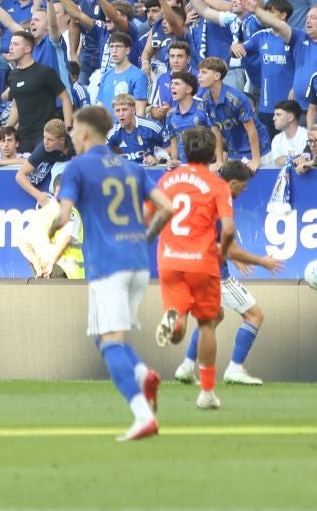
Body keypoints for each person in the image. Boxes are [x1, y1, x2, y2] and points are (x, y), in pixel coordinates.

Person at [48, 104, 162, 441]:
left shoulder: (77, 167)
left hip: (107, 264)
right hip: (138, 262)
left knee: (111, 340)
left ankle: (142, 415)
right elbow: (166, 207)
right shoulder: (130, 166)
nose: (70, 136)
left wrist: (51, 228)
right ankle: (142, 373)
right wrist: (146, 236)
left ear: (84, 133)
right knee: (105, 335)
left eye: (72, 130)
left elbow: (64, 215)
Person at [172, 158, 282, 387]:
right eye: (243, 185)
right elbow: (227, 246)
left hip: (190, 265)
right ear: (232, 183)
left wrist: (233, 256)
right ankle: (235, 369)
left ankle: (185, 367)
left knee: (214, 317)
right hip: (214, 274)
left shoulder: (204, 192)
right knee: (254, 316)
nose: (245, 189)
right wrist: (262, 261)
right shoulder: (222, 199)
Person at [150, 126, 234, 411]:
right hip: (202, 260)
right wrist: (224, 248)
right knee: (207, 323)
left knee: (179, 326)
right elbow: (229, 227)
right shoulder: (217, 184)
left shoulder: (167, 180)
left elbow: (150, 216)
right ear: (213, 154)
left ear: (185, 151)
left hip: (170, 260)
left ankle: (174, 321)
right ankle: (207, 393)